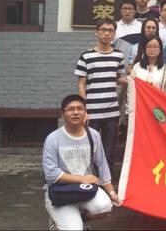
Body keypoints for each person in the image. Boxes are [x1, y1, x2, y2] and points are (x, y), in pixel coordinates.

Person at [43, 94, 120, 230]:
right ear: (62, 114)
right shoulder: (53, 139)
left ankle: (79, 218)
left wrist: (112, 193)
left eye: (80, 108)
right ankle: (59, 223)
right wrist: (82, 179)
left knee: (105, 207)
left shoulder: (93, 135)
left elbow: (102, 165)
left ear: (85, 112)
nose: (76, 112)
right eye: (70, 109)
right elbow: (51, 174)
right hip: (60, 194)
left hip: (85, 190)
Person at [74, 19, 127, 165]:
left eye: (110, 30)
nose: (106, 33)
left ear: (114, 34)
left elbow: (117, 78)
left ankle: (106, 178)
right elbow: (81, 84)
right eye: (103, 30)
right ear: (96, 32)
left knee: (109, 152)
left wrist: (134, 81)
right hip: (92, 112)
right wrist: (83, 110)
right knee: (89, 149)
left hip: (112, 112)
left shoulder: (118, 56)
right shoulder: (86, 56)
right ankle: (90, 178)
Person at [114, 0, 142, 71]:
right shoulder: (115, 27)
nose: (127, 11)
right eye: (124, 8)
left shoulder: (141, 27)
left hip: (137, 67)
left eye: (130, 9)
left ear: (135, 11)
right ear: (120, 11)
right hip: (118, 65)